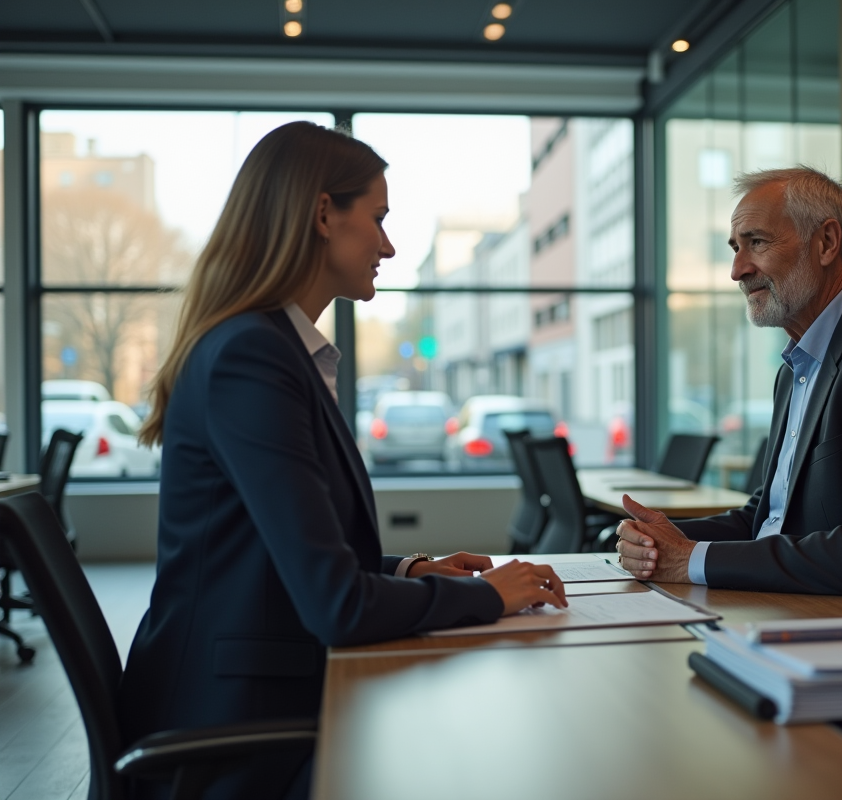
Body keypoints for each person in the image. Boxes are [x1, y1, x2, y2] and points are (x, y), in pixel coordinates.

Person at [119, 121, 567, 799]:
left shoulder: (273, 349)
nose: (388, 244)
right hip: (238, 731)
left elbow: (289, 558)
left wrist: (410, 569)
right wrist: (483, 597)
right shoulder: (253, 357)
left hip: (267, 687)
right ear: (324, 213)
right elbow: (335, 604)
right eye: (378, 218)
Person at [615, 167, 842, 615]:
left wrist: (690, 560)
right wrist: (664, 538)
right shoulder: (798, 365)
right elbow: (768, 518)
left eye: (756, 243)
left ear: (826, 243)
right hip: (797, 612)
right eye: (735, 248)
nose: (737, 270)